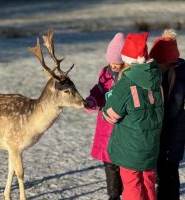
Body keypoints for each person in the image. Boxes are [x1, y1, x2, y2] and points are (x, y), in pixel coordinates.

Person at [102, 32, 164, 200]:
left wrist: (105, 107)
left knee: (132, 183)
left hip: (131, 146)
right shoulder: (157, 79)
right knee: (148, 181)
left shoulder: (126, 84)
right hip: (151, 145)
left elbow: (111, 114)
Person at [84, 33, 125, 200]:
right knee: (110, 164)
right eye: (112, 62)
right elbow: (99, 90)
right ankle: (113, 195)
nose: (114, 66)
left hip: (122, 127)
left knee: (124, 163)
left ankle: (127, 192)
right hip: (106, 128)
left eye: (119, 63)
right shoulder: (105, 73)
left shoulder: (128, 76)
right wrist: (92, 101)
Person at [149, 29, 185, 200]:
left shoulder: (179, 76)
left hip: (172, 136)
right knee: (163, 174)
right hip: (160, 135)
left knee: (169, 175)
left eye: (156, 63)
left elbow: (172, 108)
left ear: (167, 61)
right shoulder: (160, 73)